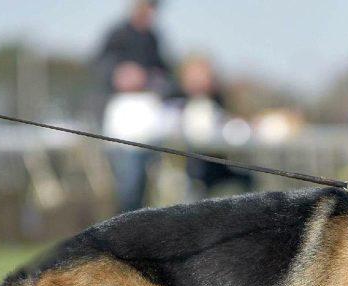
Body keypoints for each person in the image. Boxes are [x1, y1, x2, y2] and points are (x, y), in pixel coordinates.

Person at [94, 0, 173, 212]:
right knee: (128, 185)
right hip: (122, 119)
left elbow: (165, 72)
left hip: (148, 118)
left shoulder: (153, 38)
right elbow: (100, 67)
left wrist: (150, 78)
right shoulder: (117, 34)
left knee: (146, 185)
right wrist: (119, 74)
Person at [176, 55, 252, 198]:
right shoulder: (176, 99)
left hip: (219, 164)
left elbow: (237, 121)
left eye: (204, 76)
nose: (200, 82)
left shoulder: (221, 99)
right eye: (195, 77)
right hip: (191, 168)